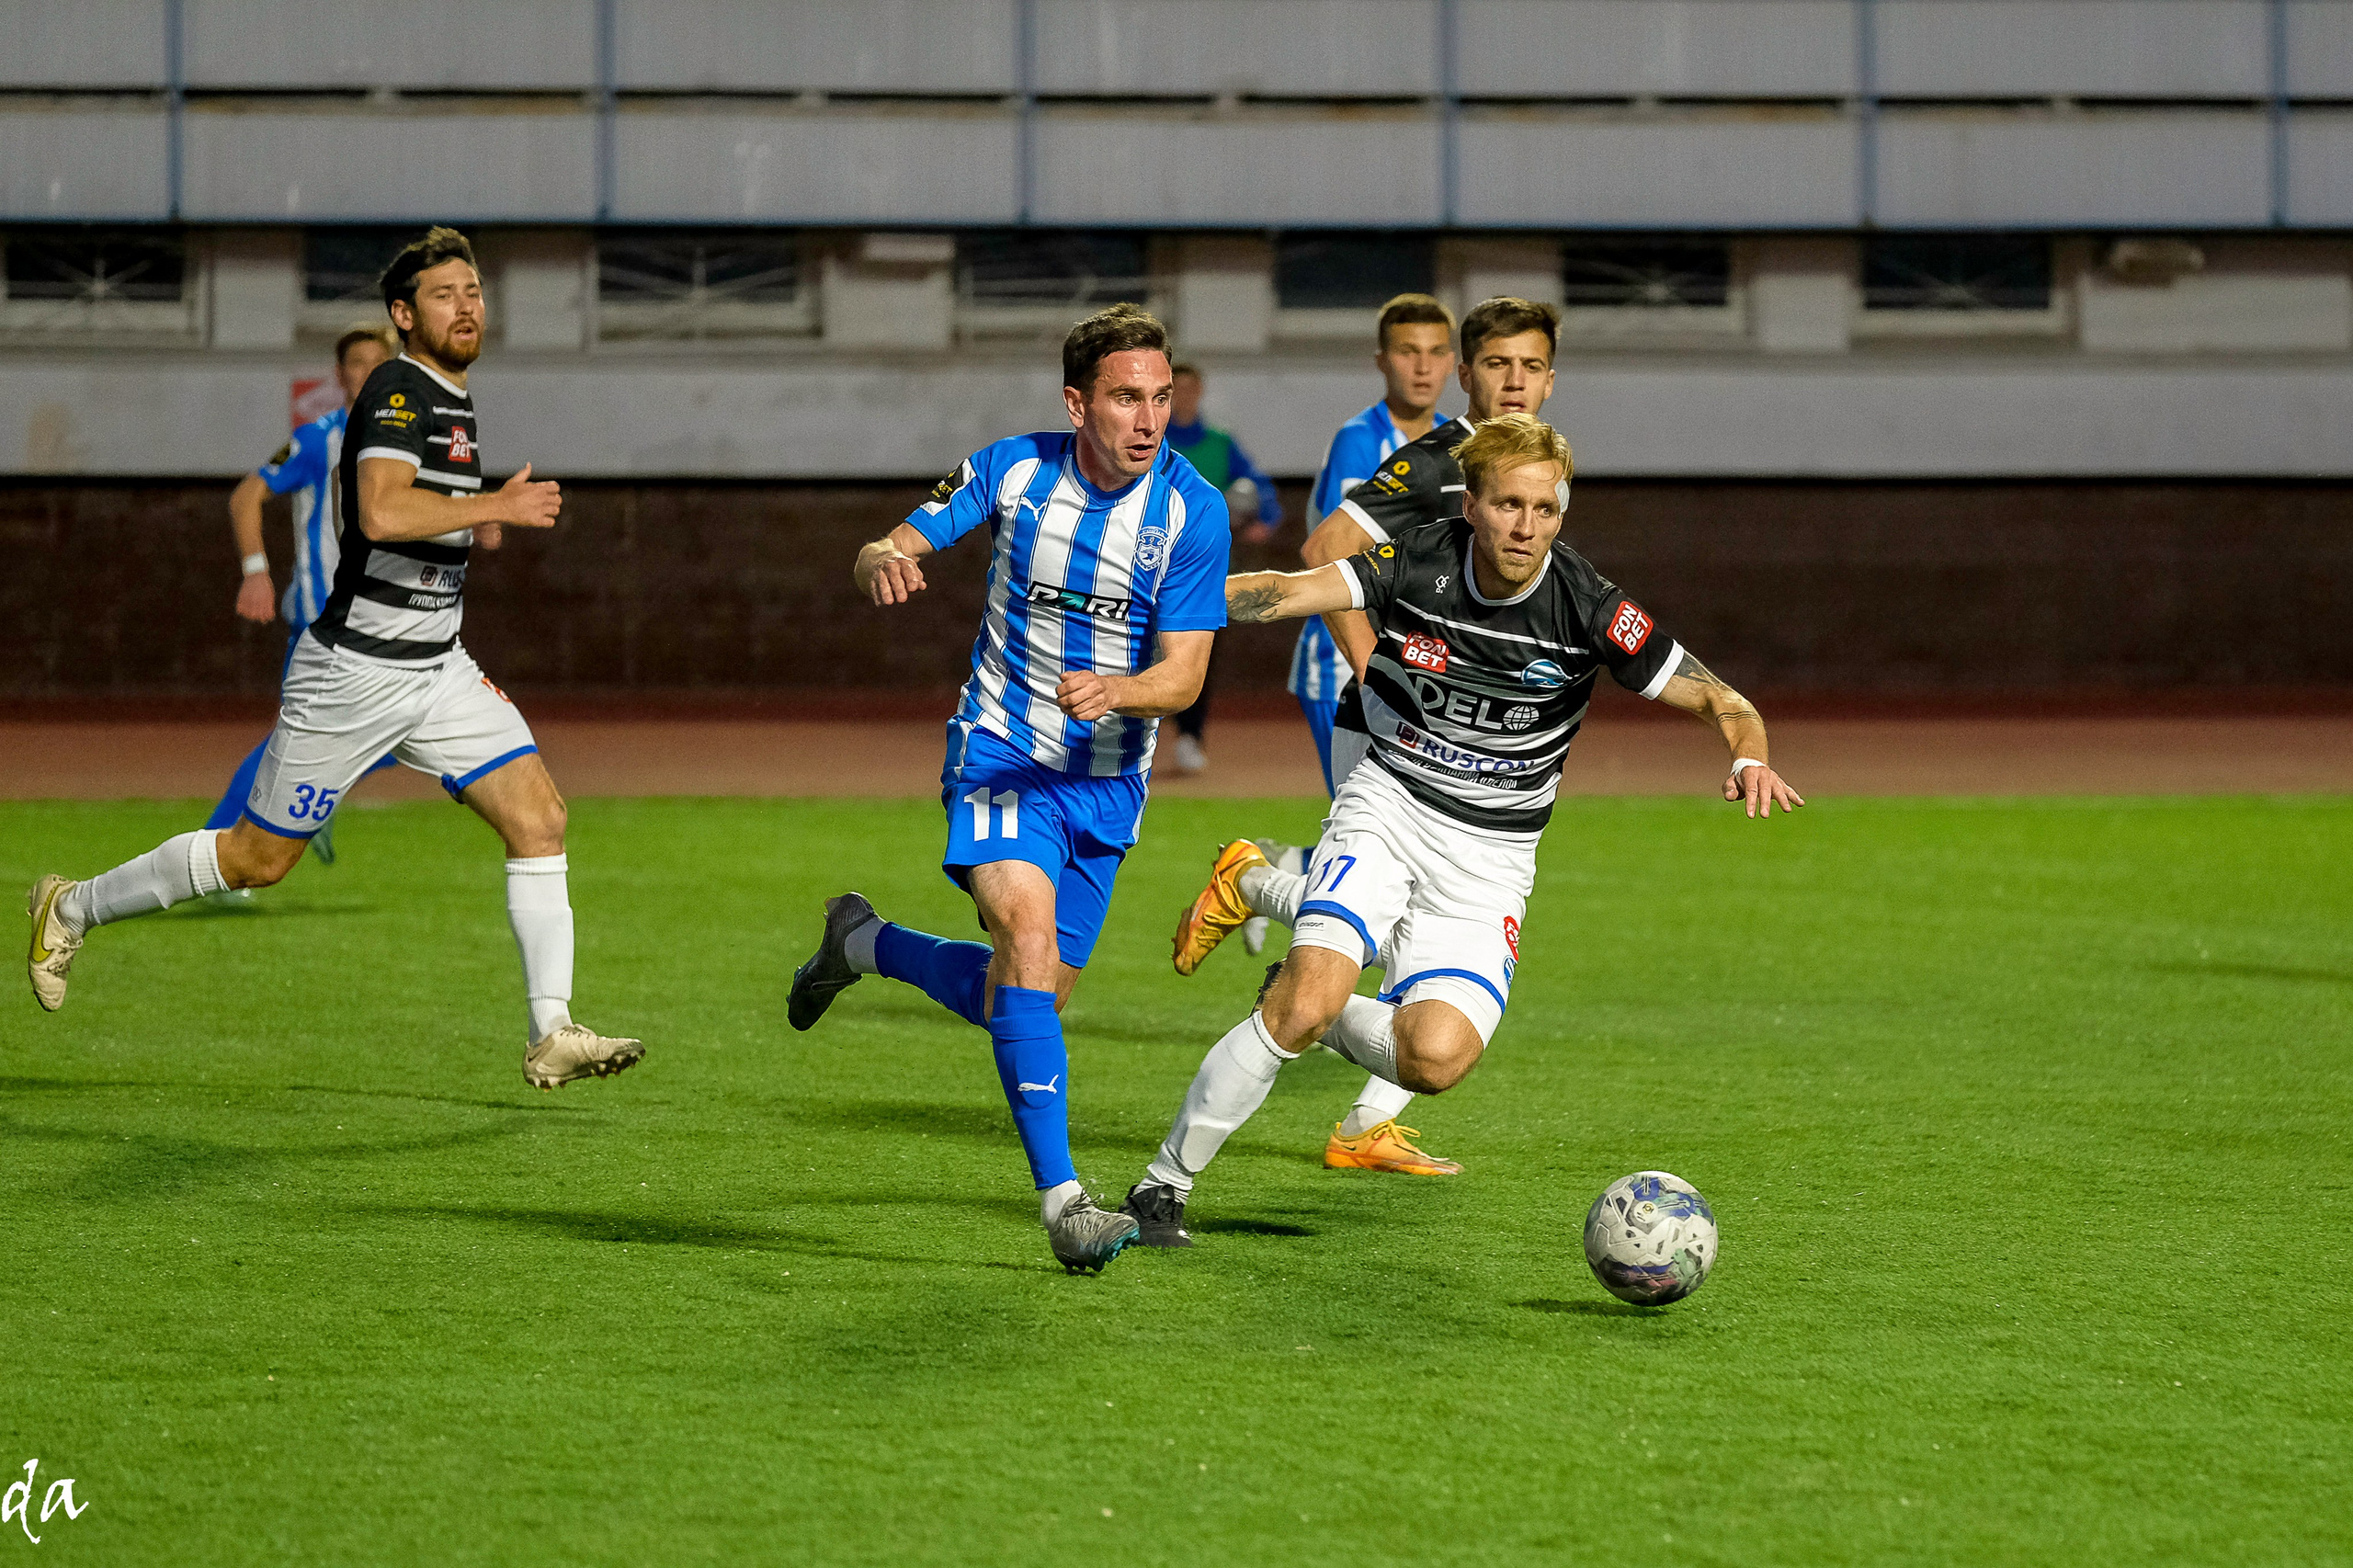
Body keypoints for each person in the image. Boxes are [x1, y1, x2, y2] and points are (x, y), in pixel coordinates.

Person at [1120, 414, 1806, 1245]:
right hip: (1391, 803)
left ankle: (1293, 963)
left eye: (1545, 510)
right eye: (1509, 505)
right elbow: (1290, 591)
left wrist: (1748, 756)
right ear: (1474, 505)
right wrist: (1159, 599)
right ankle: (1162, 1187)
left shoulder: (1589, 607)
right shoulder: (1420, 558)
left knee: (1435, 1060)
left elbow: (1724, 699)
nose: (1527, 527)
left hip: (1491, 860)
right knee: (1308, 997)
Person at [28, 227, 643, 1093]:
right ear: (404, 314)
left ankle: (553, 1031)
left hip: (439, 669)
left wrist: (474, 511)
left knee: (540, 818)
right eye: (444, 294)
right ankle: (73, 904)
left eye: (473, 290)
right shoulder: (396, 388)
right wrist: (494, 499)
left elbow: (414, 508)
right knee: (255, 860)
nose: (466, 305)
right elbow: (383, 514)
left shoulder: (447, 394)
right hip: (355, 673)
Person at [784, 304, 1229, 1275]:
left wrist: (1120, 690)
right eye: (1124, 397)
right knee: (1024, 939)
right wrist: (883, 561)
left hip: (1108, 789)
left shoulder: (1193, 510)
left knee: (1026, 999)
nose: (1147, 416)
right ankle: (1066, 1203)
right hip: (1000, 755)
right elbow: (888, 542)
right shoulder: (1014, 470)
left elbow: (1186, 675)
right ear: (1078, 403)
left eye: (1158, 396)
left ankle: (862, 941)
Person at [1171, 295, 1561, 1178]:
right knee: (1400, 928)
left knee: (1433, 940)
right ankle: (1261, 885)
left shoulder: (1530, 466)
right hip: (1390, 725)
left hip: (1459, 737)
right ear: (1471, 374)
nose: (1514, 382)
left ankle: (1363, 1115)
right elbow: (1325, 542)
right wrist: (1376, 668)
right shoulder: (1441, 457)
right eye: (1498, 364)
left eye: (1530, 367)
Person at [203, 325, 413, 879]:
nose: (366, 372)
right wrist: (256, 572)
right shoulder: (321, 438)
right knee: (298, 742)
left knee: (396, 733)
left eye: (377, 362)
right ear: (339, 375)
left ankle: (310, 809)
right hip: (326, 617)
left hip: (384, 617)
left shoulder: (403, 440)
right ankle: (212, 850)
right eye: (355, 363)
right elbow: (247, 494)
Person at [1162, 361, 1280, 775]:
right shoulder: (1150, 442)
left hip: (1201, 574)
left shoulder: (1219, 444)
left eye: (1193, 389)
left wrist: (1264, 518)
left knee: (1197, 655)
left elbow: (1259, 489)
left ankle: (1190, 737)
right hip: (1145, 569)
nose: (1186, 398)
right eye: (1177, 390)